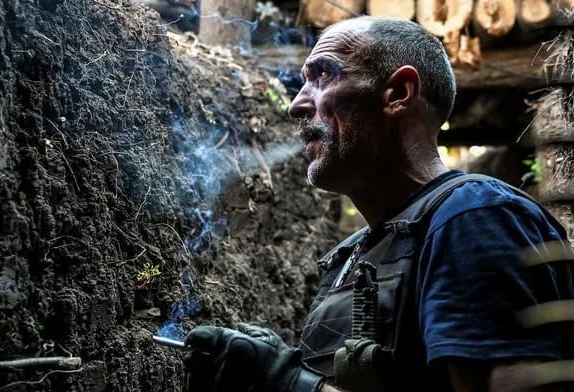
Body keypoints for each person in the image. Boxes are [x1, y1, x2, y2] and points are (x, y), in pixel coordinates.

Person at [181, 16, 574, 392]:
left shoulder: (475, 216)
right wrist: (272, 368)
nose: (297, 105)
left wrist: (288, 382)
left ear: (398, 93)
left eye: (323, 75)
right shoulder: (352, 254)